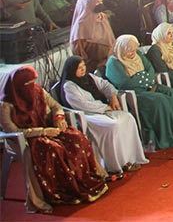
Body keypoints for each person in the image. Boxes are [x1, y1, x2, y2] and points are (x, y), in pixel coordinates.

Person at [0, 66, 109, 213]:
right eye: (28, 83)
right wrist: (43, 132)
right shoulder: (6, 105)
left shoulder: (38, 91)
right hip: (29, 138)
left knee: (77, 139)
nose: (33, 86)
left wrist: (59, 118)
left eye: (34, 81)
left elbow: (56, 106)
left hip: (48, 128)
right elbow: (12, 130)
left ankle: (82, 180)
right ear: (19, 85)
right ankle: (62, 190)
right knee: (54, 149)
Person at [55, 56, 148, 176]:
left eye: (84, 66)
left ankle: (130, 157)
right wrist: (105, 108)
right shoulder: (69, 86)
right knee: (113, 125)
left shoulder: (89, 77)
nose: (83, 70)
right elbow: (82, 105)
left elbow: (105, 85)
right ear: (72, 70)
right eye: (79, 68)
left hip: (103, 109)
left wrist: (113, 97)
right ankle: (116, 164)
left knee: (128, 118)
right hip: (88, 115)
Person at [104, 35, 173, 151]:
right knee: (160, 100)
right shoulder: (113, 63)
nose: (133, 53)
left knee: (170, 92)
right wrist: (143, 78)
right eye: (130, 51)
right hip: (135, 93)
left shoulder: (138, 54)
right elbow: (124, 83)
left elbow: (150, 69)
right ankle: (166, 138)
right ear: (122, 49)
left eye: (134, 50)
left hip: (148, 86)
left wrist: (141, 77)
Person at [68, 0, 116, 72]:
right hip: (93, 68)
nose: (100, 5)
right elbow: (79, 51)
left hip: (109, 63)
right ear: (88, 4)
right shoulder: (81, 25)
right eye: (97, 2)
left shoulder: (102, 18)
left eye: (101, 2)